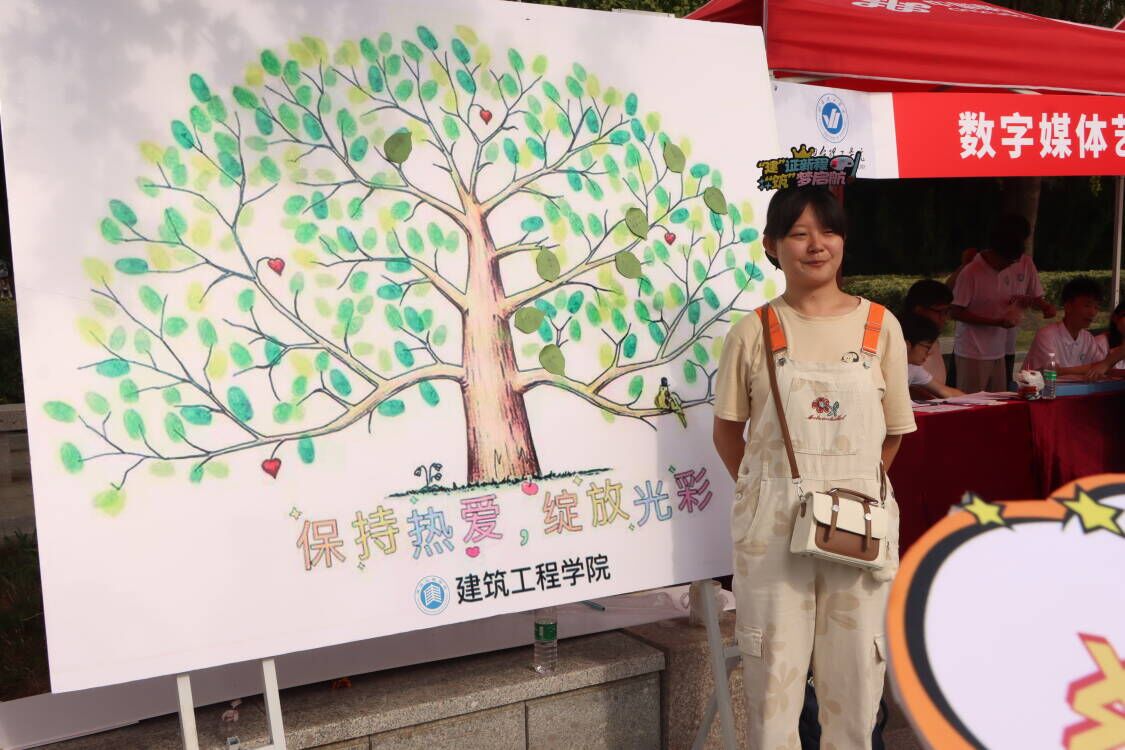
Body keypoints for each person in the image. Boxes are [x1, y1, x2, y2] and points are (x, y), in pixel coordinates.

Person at [713, 186, 914, 749]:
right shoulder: (752, 331)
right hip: (773, 529)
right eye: (798, 234)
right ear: (771, 245)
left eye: (827, 231)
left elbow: (894, 431)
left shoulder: (882, 327)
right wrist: (769, 491)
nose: (815, 245)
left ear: (843, 242)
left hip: (860, 522)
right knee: (772, 680)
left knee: (857, 680)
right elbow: (727, 433)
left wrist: (851, 487)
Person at [950, 215, 1055, 392]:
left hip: (999, 350)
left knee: (998, 399)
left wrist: (1031, 303)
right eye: (1007, 262)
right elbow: (955, 311)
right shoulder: (972, 271)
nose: (1009, 266)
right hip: (973, 351)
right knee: (973, 400)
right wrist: (995, 322)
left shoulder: (1012, 266)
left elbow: (1017, 298)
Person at [1023, 277, 1109, 376]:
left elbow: (1101, 367)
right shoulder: (1046, 335)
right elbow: (1053, 371)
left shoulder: (1088, 338)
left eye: (1096, 307)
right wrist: (1092, 368)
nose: (1092, 312)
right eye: (1087, 305)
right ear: (1068, 306)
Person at [902, 279, 954, 386]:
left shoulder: (931, 336)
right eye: (940, 312)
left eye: (947, 312)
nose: (945, 318)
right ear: (919, 309)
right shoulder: (904, 338)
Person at [902, 314, 964, 399]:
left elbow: (944, 391)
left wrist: (977, 400)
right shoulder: (887, 368)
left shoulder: (913, 368)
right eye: (927, 348)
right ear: (907, 345)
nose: (928, 354)